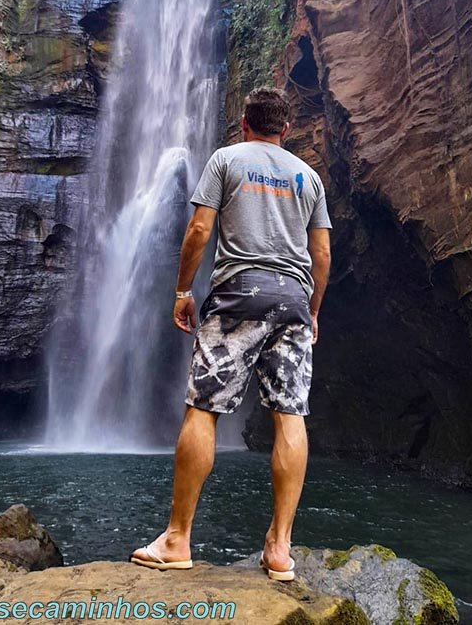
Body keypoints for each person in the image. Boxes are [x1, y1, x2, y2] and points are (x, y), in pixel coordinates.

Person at [130, 87, 332, 580]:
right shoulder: (309, 178)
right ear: (285, 130)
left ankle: (178, 540)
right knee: (290, 415)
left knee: (203, 409)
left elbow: (199, 230)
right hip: (292, 300)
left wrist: (182, 290)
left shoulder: (226, 160)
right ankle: (281, 548)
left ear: (244, 123)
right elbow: (322, 253)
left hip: (239, 294)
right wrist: (314, 311)